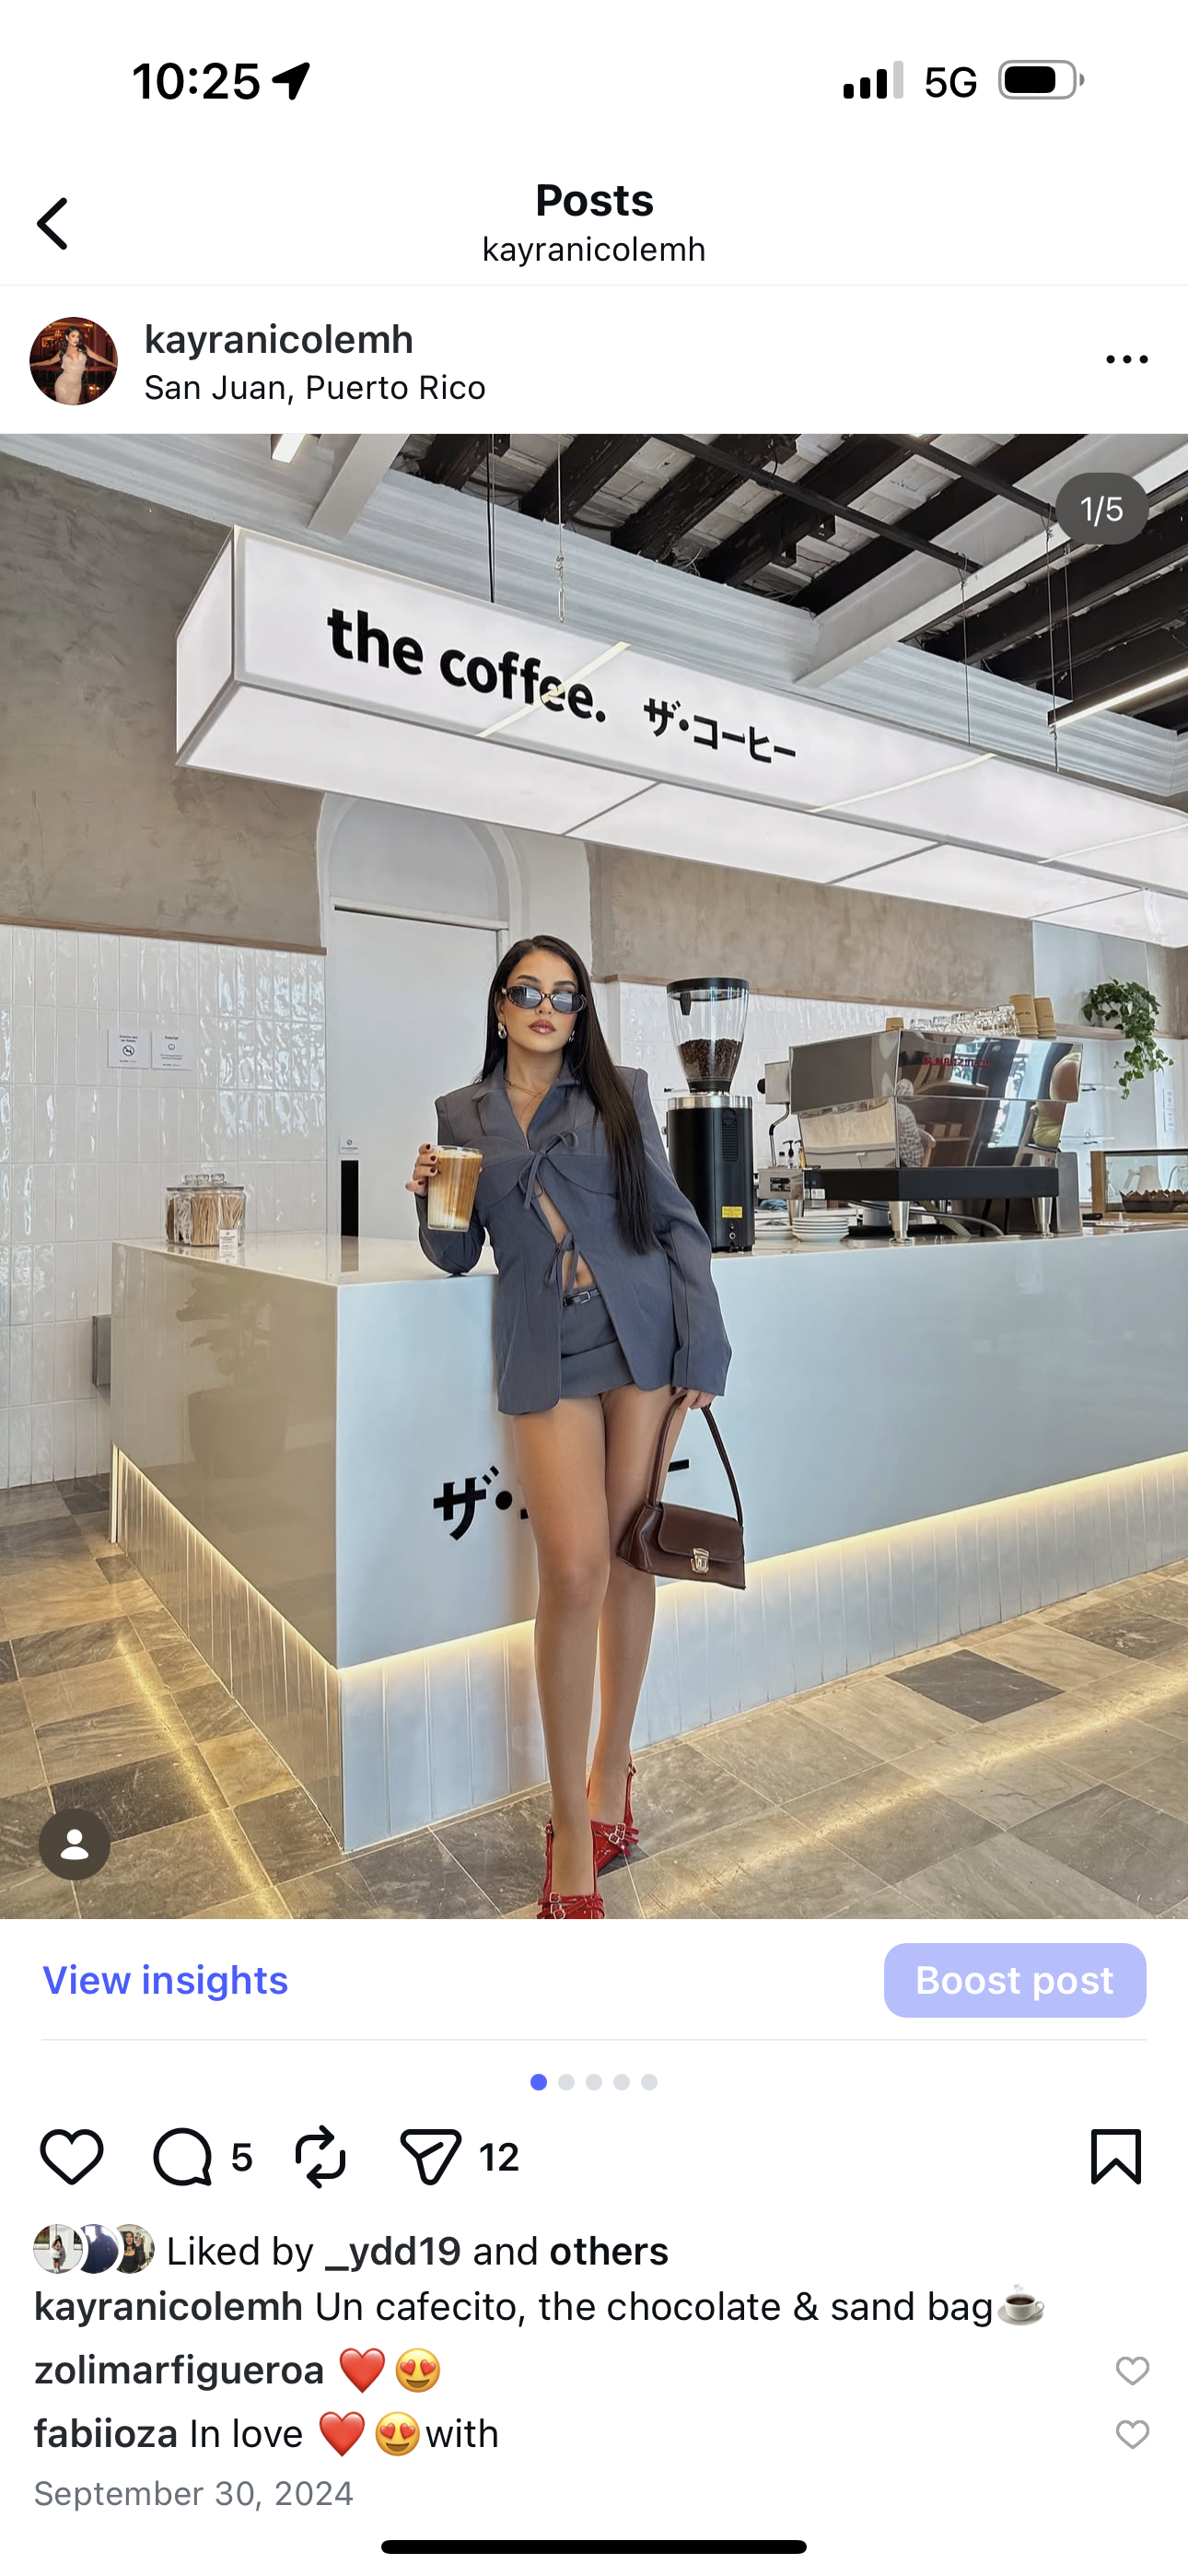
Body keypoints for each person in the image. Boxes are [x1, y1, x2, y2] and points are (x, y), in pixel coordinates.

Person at [408, 934, 731, 1917]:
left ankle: (610, 1774)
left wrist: (704, 1348)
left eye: (565, 995)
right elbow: (456, 1255)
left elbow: (676, 1224)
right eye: (528, 992)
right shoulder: (460, 1114)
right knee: (576, 1569)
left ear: (580, 1011)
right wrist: (432, 1199)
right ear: (500, 1007)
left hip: (643, 1337)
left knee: (632, 1558)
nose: (547, 1008)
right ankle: (568, 1824)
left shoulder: (619, 1094)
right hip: (544, 1349)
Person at [29, 325, 111, 405]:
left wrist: (115, 365)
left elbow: (99, 357)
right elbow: (50, 361)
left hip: (76, 386)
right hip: (62, 385)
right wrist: (33, 364)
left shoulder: (83, 348)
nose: (76, 339)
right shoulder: (63, 351)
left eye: (78, 337)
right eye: (73, 336)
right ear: (67, 337)